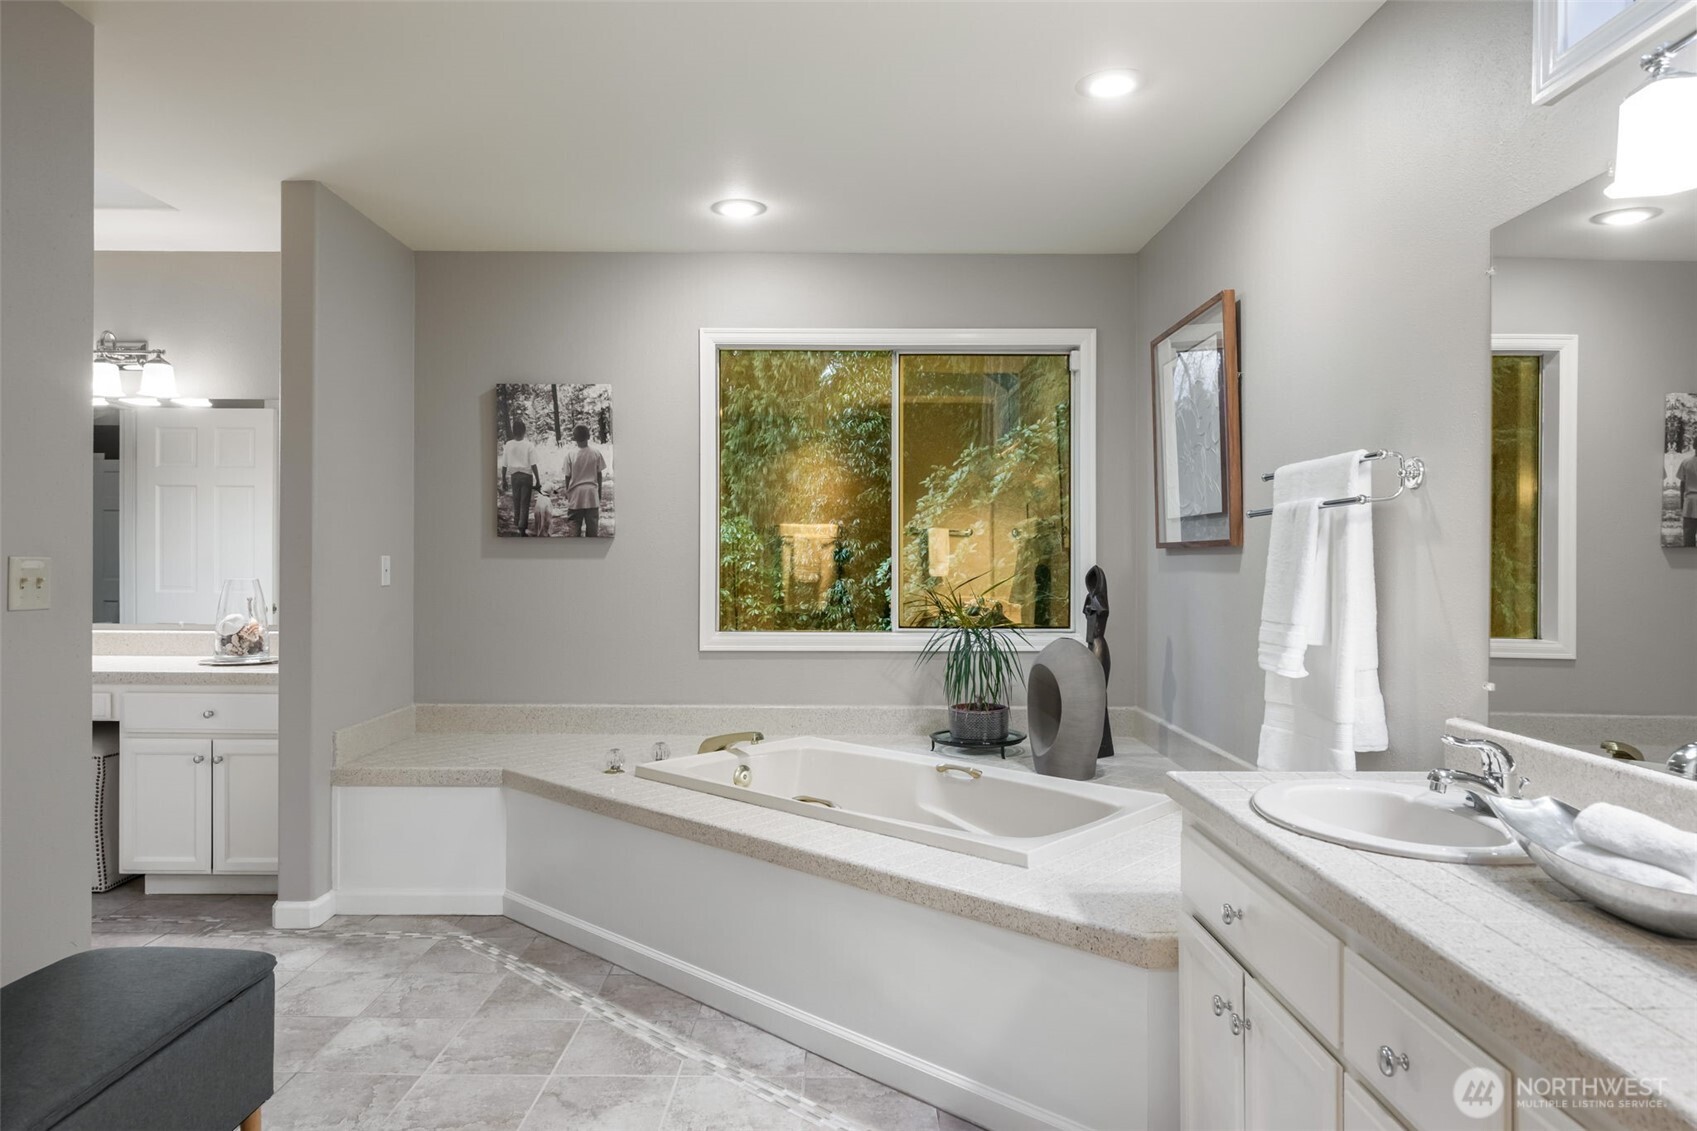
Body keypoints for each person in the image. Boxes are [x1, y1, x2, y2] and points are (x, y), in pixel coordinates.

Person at [562, 423, 606, 537]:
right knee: (592, 528)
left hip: (576, 495)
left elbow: (567, 476)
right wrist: (599, 492)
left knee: (574, 525)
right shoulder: (596, 453)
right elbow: (599, 474)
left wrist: (568, 491)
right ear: (589, 437)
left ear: (574, 438)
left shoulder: (570, 455)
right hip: (591, 494)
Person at [500, 418, 541, 536]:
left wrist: (503, 479)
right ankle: (522, 528)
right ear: (524, 431)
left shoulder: (508, 445)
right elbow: (533, 464)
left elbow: (504, 464)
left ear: (513, 431)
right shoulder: (528, 445)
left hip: (514, 477)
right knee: (524, 502)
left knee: (516, 501)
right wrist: (538, 480)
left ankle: (518, 524)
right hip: (526, 476)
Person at [1679, 447, 1697, 548]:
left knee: (1689, 538)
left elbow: (1682, 485)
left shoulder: (1686, 462)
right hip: (1689, 502)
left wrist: (1681, 503)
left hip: (1690, 503)